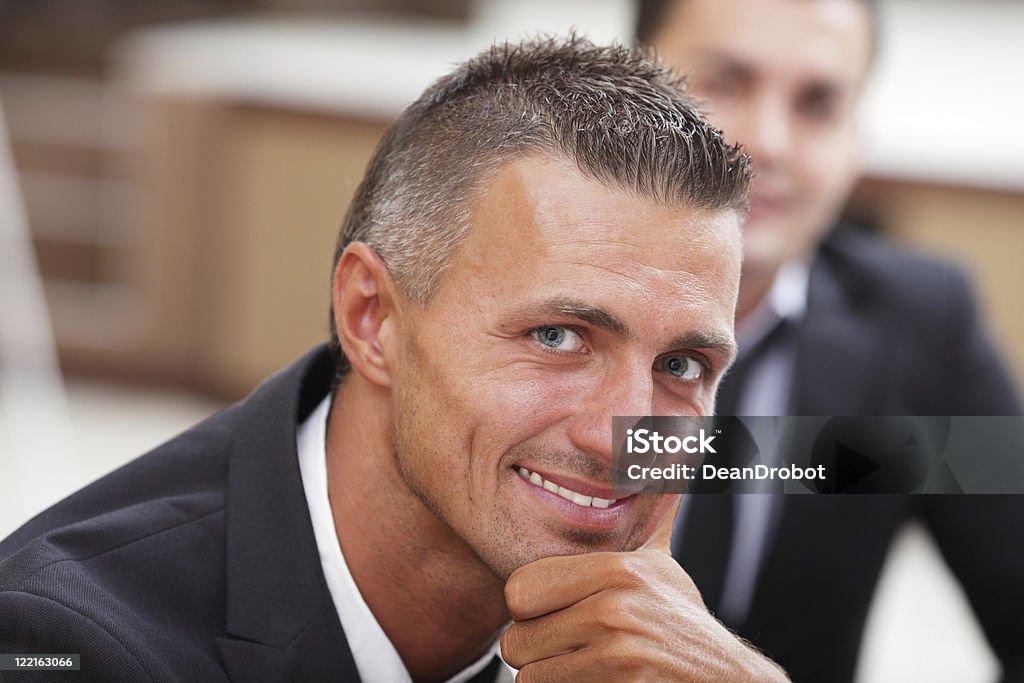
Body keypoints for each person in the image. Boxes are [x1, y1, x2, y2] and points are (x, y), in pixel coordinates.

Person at [0, 37, 790, 682]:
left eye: (683, 366)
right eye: (558, 337)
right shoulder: (65, 643)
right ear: (371, 317)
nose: (623, 435)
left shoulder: (660, 631)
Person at [637, 0, 1024, 680]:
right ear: (631, 89)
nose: (770, 141)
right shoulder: (517, 298)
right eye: (724, 84)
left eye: (817, 104)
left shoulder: (920, 326)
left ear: (856, 137)